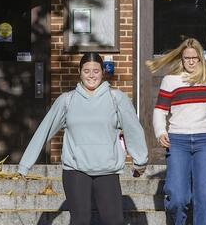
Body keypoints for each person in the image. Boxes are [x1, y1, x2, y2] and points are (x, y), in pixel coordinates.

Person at [17, 52, 148, 225]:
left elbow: (133, 130)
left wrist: (139, 161)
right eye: (87, 71)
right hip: (75, 170)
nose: (91, 75)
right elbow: (44, 130)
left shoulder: (116, 98)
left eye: (96, 71)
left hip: (107, 170)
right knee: (80, 220)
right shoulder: (67, 100)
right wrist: (25, 164)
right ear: (79, 71)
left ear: (102, 72)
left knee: (114, 220)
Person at [146, 38, 206, 225]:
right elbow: (160, 111)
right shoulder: (170, 81)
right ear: (181, 59)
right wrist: (160, 132)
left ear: (201, 59)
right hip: (177, 142)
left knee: (204, 197)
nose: (190, 61)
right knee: (178, 197)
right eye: (187, 58)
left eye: (195, 58)